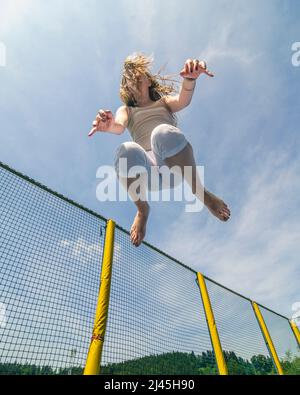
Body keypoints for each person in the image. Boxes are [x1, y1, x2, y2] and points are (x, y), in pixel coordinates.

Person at [89, 52, 231, 247]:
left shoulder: (163, 103)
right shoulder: (127, 110)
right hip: (147, 174)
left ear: (148, 80)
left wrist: (190, 79)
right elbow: (119, 126)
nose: (133, 79)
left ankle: (200, 192)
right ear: (126, 88)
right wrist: (109, 125)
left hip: (172, 166)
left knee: (161, 132)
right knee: (125, 150)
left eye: (138, 75)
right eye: (128, 79)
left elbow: (183, 99)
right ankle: (142, 209)